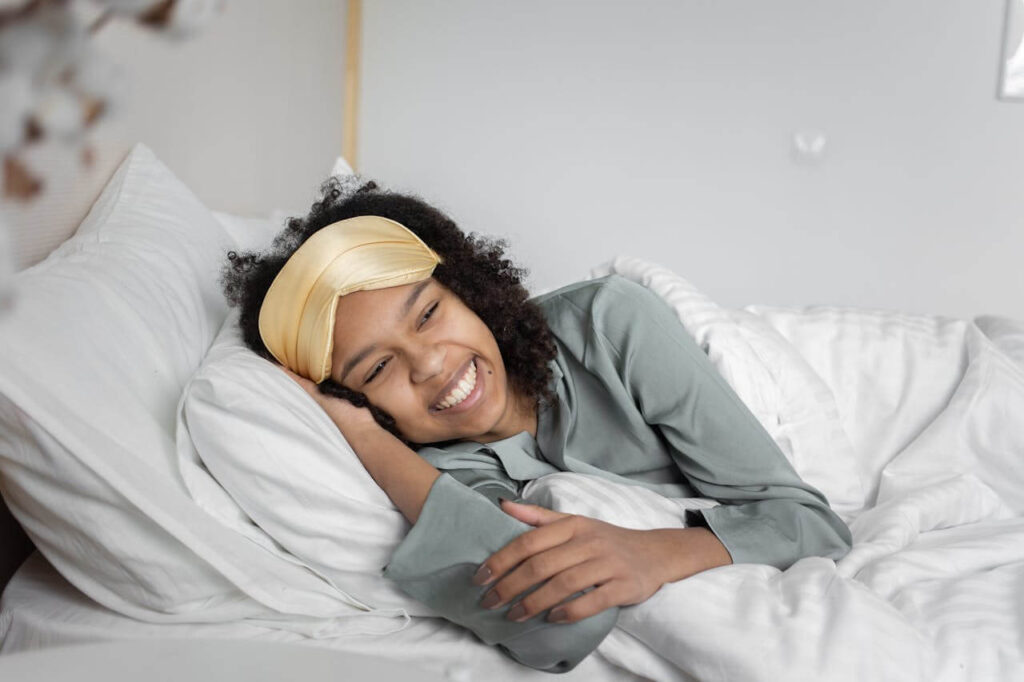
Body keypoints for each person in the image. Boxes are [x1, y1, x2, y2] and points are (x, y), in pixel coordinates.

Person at [221, 176, 853, 673]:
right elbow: (555, 628)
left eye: (429, 314)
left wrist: (650, 553)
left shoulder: (609, 324)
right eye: (379, 367)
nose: (433, 365)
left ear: (469, 287)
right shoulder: (441, 473)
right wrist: (362, 439)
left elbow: (810, 522)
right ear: (353, 399)